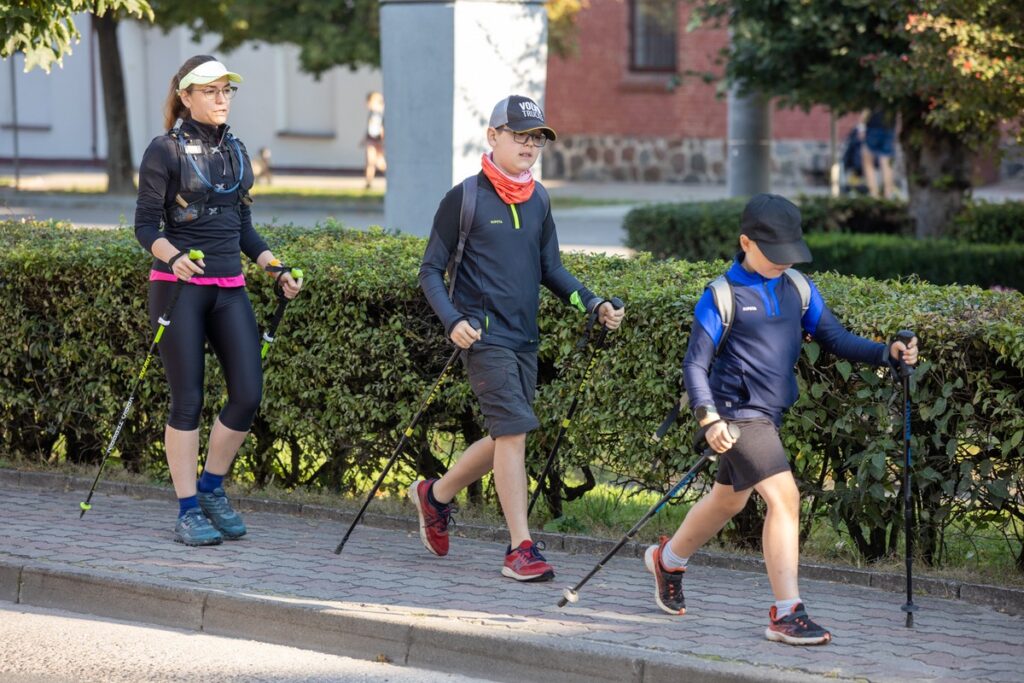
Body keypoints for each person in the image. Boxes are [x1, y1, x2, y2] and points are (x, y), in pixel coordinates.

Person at [644, 194, 918, 644]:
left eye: (789, 254)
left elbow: (836, 339)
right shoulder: (722, 294)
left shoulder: (798, 288)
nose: (782, 263)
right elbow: (695, 364)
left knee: (729, 501)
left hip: (769, 414)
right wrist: (709, 418)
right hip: (735, 414)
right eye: (773, 255)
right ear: (745, 242)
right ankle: (786, 612)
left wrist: (886, 354)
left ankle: (668, 560)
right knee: (784, 498)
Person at [412, 95, 625, 582]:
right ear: (493, 137)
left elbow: (551, 269)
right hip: (484, 339)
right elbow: (428, 271)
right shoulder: (464, 198)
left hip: (525, 339)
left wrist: (592, 303)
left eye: (536, 138)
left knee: (505, 435)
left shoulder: (540, 198)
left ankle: (436, 495)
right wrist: (451, 319)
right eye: (520, 135)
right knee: (514, 433)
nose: (529, 145)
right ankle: (520, 548)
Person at [134, 55, 303, 546]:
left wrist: (275, 268)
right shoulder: (162, 150)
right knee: (187, 400)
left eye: (226, 90)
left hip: (229, 289)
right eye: (210, 90)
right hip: (179, 288)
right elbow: (145, 226)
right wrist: (172, 258)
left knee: (248, 394)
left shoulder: (236, 150)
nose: (221, 98)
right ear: (186, 96)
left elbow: (243, 227)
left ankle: (211, 487)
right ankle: (187, 509)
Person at [860, 109, 897, 199]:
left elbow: (866, 109)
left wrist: (861, 127)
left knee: (867, 160)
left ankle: (874, 193)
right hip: (889, 127)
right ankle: (888, 193)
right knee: (886, 161)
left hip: (873, 126)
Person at [364, 91, 386, 189]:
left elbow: (380, 128)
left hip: (376, 140)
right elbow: (370, 128)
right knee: (372, 161)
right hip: (371, 139)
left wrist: (382, 140)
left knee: (376, 161)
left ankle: (390, 176)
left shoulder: (377, 114)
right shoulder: (372, 113)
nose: (367, 104)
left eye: (369, 102)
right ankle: (368, 182)